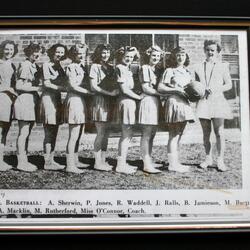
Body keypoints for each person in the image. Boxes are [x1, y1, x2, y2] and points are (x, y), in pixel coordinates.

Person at [192, 40, 233, 171]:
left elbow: (229, 85)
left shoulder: (223, 66)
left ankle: (220, 160)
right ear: (204, 50)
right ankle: (208, 158)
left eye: (213, 50)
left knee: (219, 132)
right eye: (208, 50)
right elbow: (195, 85)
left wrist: (214, 89)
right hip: (204, 101)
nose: (210, 52)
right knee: (206, 133)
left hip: (217, 101)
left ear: (217, 52)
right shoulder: (198, 66)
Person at [158, 46, 194, 173]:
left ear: (186, 57)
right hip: (173, 102)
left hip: (184, 104)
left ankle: (175, 162)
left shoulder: (187, 72)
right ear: (174, 57)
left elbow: (192, 90)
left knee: (179, 134)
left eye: (183, 55)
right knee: (173, 134)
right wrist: (176, 90)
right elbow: (160, 88)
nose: (180, 57)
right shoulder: (170, 70)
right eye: (178, 55)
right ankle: (172, 165)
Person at [14, 42, 43, 172]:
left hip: (31, 101)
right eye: (34, 52)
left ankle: (24, 160)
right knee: (23, 133)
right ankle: (21, 162)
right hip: (24, 101)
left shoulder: (33, 65)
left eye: (39, 52)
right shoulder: (25, 65)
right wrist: (37, 88)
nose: (36, 54)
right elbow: (19, 86)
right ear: (29, 53)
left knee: (27, 132)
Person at [89, 44, 118, 171]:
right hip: (100, 100)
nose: (105, 55)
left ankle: (103, 160)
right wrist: (109, 93)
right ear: (98, 53)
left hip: (110, 101)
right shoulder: (94, 67)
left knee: (106, 133)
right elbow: (93, 87)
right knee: (100, 132)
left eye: (107, 52)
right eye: (103, 53)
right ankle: (97, 162)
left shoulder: (111, 68)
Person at [64, 43, 93, 173]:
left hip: (80, 100)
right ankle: (70, 165)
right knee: (73, 134)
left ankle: (75, 160)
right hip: (74, 99)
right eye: (78, 53)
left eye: (83, 53)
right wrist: (88, 92)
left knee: (79, 132)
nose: (80, 56)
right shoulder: (70, 67)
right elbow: (73, 86)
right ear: (73, 54)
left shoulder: (81, 67)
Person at [40, 43, 68, 170]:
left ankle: (51, 159)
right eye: (58, 52)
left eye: (62, 52)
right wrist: (62, 88)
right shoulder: (46, 65)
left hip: (56, 99)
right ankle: (47, 161)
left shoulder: (60, 67)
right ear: (52, 52)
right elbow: (47, 83)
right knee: (49, 131)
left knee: (55, 130)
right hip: (48, 98)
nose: (60, 54)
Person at [115, 46, 142, 174]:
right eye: (127, 56)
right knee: (126, 134)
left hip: (130, 102)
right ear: (121, 56)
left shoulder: (127, 69)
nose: (129, 59)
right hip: (125, 102)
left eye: (131, 57)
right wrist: (139, 97)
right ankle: (120, 165)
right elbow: (124, 90)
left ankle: (123, 162)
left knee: (128, 134)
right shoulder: (120, 68)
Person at [138, 45, 164, 174]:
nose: (156, 58)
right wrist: (162, 94)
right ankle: (146, 164)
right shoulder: (145, 68)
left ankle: (149, 159)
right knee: (147, 134)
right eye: (153, 55)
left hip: (155, 102)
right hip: (147, 101)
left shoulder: (155, 70)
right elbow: (146, 88)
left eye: (158, 56)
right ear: (148, 55)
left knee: (152, 134)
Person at [0, 40, 18, 171]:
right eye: (6, 49)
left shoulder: (12, 65)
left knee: (4, 131)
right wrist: (9, 89)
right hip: (1, 97)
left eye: (11, 49)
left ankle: (1, 160)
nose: (9, 52)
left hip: (8, 100)